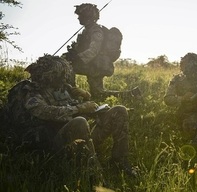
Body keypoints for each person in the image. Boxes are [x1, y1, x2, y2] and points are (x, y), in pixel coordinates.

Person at [5, 54, 137, 177]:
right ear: (49, 74)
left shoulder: (62, 89)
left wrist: (87, 100)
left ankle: (119, 162)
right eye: (59, 74)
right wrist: (79, 108)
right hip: (53, 145)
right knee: (79, 122)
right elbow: (44, 111)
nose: (63, 77)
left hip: (80, 140)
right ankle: (95, 175)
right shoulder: (31, 90)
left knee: (119, 110)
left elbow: (74, 107)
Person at [64, 3, 141, 99]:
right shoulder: (87, 31)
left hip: (98, 65)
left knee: (68, 67)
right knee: (98, 94)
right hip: (94, 64)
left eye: (80, 16)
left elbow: (93, 50)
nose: (78, 18)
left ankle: (71, 95)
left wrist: (77, 57)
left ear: (87, 16)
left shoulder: (96, 31)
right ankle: (132, 94)